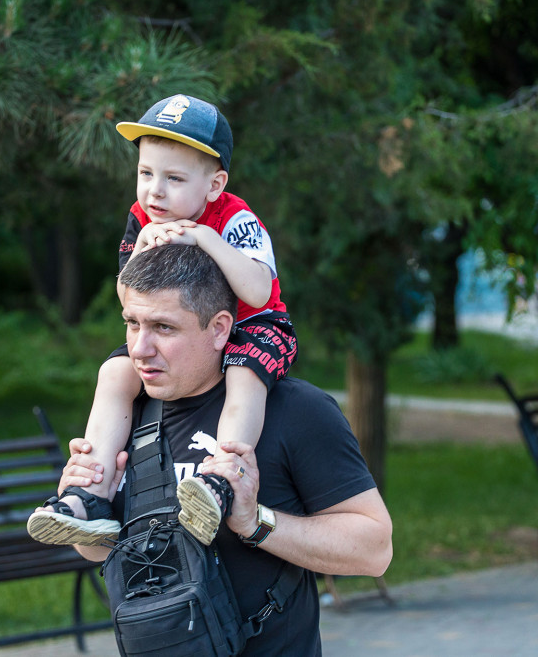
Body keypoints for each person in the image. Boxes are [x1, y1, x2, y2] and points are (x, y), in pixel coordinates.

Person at [64, 244, 392, 655]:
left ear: (220, 329)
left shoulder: (295, 410)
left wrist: (256, 523)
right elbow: (98, 550)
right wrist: (87, 506)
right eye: (132, 323)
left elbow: (375, 549)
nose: (139, 348)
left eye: (163, 328)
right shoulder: (124, 416)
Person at [28, 93, 298, 548]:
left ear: (214, 185)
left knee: (244, 377)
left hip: (255, 326)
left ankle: (221, 481)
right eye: (146, 173)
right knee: (115, 373)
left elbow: (256, 290)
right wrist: (143, 247)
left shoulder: (234, 217)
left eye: (174, 178)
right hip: (179, 333)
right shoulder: (142, 219)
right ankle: (90, 494)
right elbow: (128, 297)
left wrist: (206, 238)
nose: (155, 191)